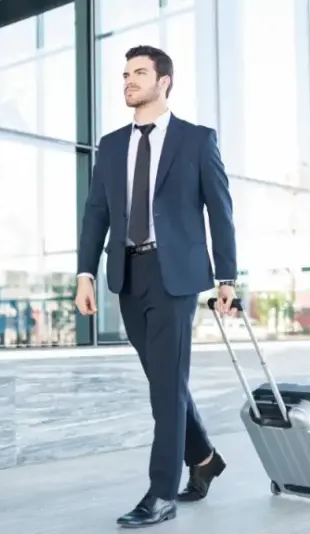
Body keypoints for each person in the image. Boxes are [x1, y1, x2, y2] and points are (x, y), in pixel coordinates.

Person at [75, 46, 239, 528]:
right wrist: (85, 272)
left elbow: (220, 211)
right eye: (125, 74)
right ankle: (204, 457)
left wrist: (227, 277)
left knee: (165, 388)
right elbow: (96, 213)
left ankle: (161, 492)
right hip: (127, 273)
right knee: (164, 381)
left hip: (177, 277)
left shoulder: (196, 140)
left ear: (163, 81)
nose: (128, 80)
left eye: (139, 73)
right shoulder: (110, 144)